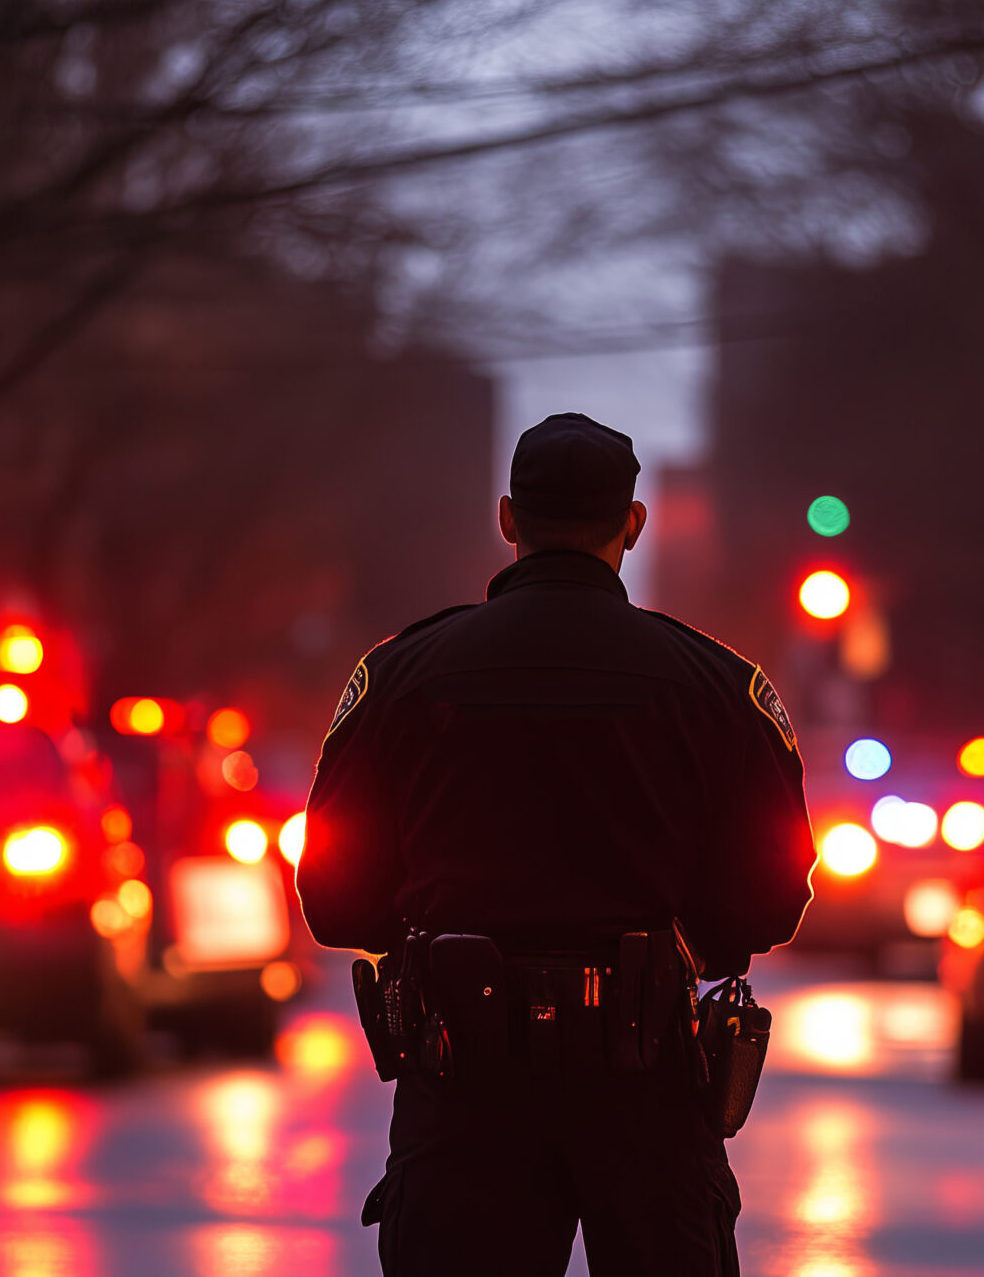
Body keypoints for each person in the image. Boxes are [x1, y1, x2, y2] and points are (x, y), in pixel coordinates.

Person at [296, 412, 816, 1277]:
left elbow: (336, 897)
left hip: (465, 1082)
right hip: (647, 1079)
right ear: (632, 524)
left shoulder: (400, 674)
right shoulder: (717, 684)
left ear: (508, 520)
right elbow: (771, 899)